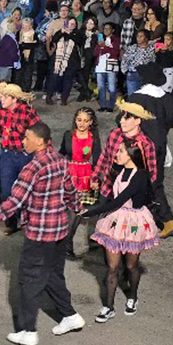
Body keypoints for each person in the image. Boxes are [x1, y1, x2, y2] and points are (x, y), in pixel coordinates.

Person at [0, 121, 84, 345]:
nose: (23, 141)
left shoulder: (32, 168)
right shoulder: (61, 161)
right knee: (53, 274)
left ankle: (28, 330)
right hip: (60, 230)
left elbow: (14, 203)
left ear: (39, 141)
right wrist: (78, 208)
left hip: (39, 233)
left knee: (29, 279)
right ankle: (70, 316)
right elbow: (70, 192)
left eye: (27, 138)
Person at [83, 142, 160, 322]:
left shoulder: (140, 176)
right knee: (112, 267)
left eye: (121, 151)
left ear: (131, 155)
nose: (117, 154)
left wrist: (90, 212)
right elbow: (111, 194)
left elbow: (119, 200)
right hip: (116, 221)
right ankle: (108, 307)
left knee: (131, 266)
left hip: (133, 223)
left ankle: (132, 297)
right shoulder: (119, 171)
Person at [127, 63, 173, 238]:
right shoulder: (166, 98)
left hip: (140, 146)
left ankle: (167, 220)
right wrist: (162, 126)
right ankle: (153, 217)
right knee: (155, 181)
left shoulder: (136, 97)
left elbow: (122, 119)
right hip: (159, 145)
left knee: (142, 183)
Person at [0, 83, 40, 223]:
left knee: (24, 190)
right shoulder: (3, 112)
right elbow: (1, 129)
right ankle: (11, 221)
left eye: (5, 97)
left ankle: (24, 218)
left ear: (14, 99)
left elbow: (39, 131)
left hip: (24, 156)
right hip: (7, 154)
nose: (1, 100)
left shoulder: (27, 112)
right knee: (6, 191)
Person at [60, 107, 101, 259]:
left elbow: (97, 160)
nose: (81, 124)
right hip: (69, 175)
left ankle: (66, 244)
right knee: (69, 211)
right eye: (79, 120)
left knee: (76, 211)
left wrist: (95, 178)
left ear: (91, 122)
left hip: (85, 177)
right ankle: (65, 244)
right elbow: (62, 152)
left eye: (85, 121)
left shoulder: (94, 138)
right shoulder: (68, 135)